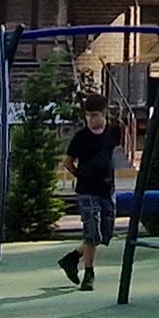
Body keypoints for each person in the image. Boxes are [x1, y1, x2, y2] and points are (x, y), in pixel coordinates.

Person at [61, 92, 123, 285]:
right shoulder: (81, 137)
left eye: (95, 115)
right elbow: (68, 162)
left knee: (105, 233)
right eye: (87, 115)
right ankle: (89, 273)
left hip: (107, 188)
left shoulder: (112, 132)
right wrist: (80, 174)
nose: (90, 119)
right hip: (87, 190)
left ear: (104, 114)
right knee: (91, 232)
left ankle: (72, 257)